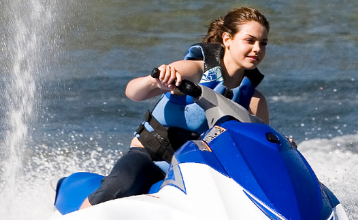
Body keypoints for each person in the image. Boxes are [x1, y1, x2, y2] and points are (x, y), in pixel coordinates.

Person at [80, 7, 271, 209]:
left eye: (263, 43)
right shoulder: (195, 71)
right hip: (151, 157)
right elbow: (132, 92)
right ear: (227, 39)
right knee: (116, 188)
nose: (257, 48)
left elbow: (257, 153)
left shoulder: (254, 101)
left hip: (201, 170)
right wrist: (155, 82)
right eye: (250, 40)